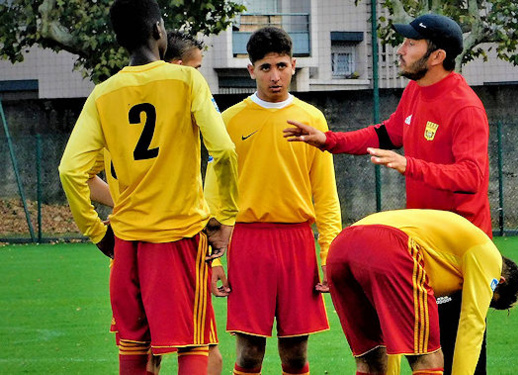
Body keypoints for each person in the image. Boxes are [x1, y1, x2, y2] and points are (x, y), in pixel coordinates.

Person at [284, 13, 492, 374]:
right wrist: (328, 141)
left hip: (458, 252)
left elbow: (472, 177)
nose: (401, 50)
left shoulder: (464, 106)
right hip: (418, 246)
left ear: (437, 56)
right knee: (421, 348)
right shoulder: (416, 91)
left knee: (459, 354)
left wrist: (410, 165)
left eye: (411, 44)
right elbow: (385, 133)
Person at [58, 0, 239, 373]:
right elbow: (223, 151)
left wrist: (97, 232)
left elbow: (70, 171)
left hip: (126, 242)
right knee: (192, 345)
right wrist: (225, 219)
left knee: (133, 349)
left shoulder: (103, 94)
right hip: (179, 236)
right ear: (159, 30)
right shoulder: (188, 80)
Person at [204, 26, 342, 375]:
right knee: (249, 351)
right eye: (265, 67)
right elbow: (215, 192)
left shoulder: (312, 119)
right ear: (251, 71)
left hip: (297, 241)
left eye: (281, 65)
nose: (275, 75)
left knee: (295, 352)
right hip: (248, 242)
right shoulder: (230, 121)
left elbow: (326, 194)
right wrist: (213, 257)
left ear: (294, 65)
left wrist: (329, 252)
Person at [326, 209, 518, 375]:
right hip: (389, 246)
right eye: (490, 299)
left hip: (341, 247)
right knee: (429, 358)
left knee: (372, 360)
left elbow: (390, 323)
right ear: (500, 280)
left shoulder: (449, 255)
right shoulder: (489, 257)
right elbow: (471, 323)